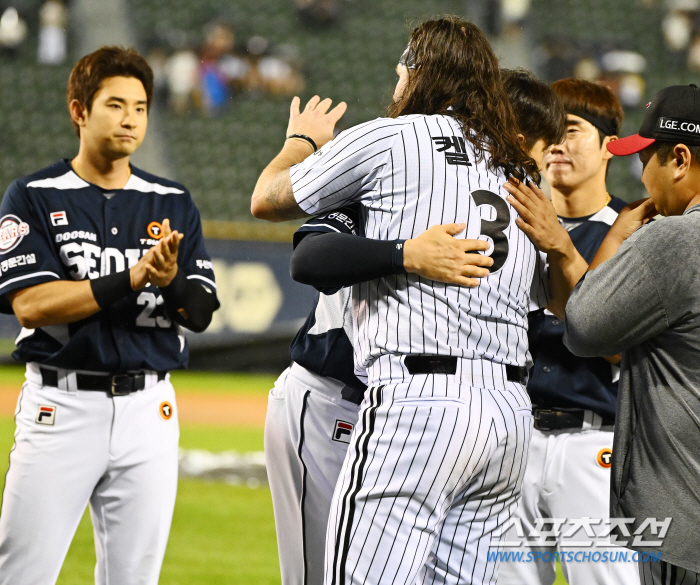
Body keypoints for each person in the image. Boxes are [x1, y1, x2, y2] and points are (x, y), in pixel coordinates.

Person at [252, 16, 547, 585]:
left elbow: (266, 199)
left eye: (403, 66)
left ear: (422, 73)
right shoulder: (519, 169)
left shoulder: (393, 137)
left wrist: (301, 144)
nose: (396, 77)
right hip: (510, 419)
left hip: (420, 402)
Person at [0, 46, 219, 585]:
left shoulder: (171, 200)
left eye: (140, 107)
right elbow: (30, 303)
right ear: (79, 110)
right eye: (115, 104)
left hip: (150, 409)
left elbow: (202, 312)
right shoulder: (33, 195)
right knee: (21, 574)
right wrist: (134, 277)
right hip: (61, 407)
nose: (130, 118)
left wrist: (169, 283)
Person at [499, 77, 642, 585]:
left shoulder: (635, 230)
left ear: (609, 147)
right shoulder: (505, 226)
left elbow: (622, 351)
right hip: (513, 440)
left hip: (595, 443)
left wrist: (561, 247)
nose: (557, 141)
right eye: (548, 128)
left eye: (573, 128)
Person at [565, 83, 700, 585]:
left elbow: (582, 326)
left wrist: (619, 236)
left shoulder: (674, 238)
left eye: (648, 160)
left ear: (680, 158)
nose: (641, 175)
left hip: (685, 522)